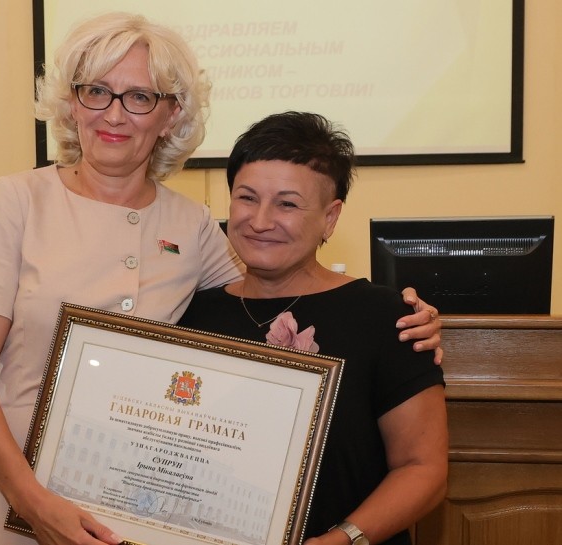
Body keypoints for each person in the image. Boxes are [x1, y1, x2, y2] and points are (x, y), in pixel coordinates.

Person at [0, 12, 442, 545]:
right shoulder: (20, 199)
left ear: (171, 113)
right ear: (71, 102)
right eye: (96, 91)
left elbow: (273, 294)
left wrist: (403, 316)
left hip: (138, 504)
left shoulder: (193, 224)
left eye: (139, 96)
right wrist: (31, 500)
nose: (114, 113)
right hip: (15, 487)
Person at [178, 111, 448, 545]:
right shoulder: (192, 314)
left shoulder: (386, 317)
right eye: (246, 198)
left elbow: (423, 469)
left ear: (330, 217)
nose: (260, 220)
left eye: (287, 204)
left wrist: (344, 539)